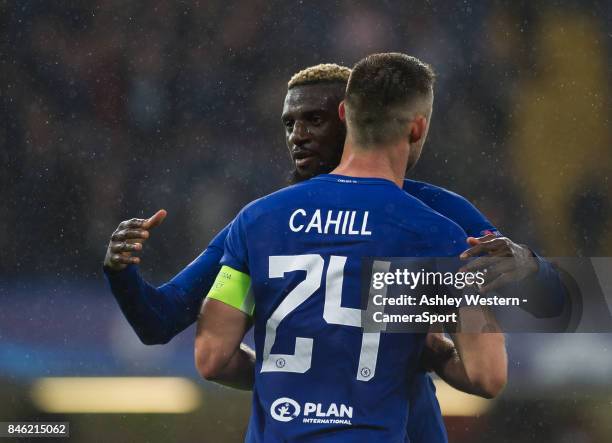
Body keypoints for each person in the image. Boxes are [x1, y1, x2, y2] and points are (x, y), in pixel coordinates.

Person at [104, 63, 566, 443]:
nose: (297, 136)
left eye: (314, 120)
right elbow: (159, 321)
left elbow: (551, 298)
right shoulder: (427, 223)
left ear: (351, 118)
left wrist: (527, 263)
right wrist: (122, 273)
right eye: (289, 123)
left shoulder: (266, 222)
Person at [194, 52, 507, 442]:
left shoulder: (258, 220)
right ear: (418, 127)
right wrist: (434, 351)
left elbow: (212, 358)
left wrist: (291, 375)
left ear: (344, 114)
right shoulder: (439, 236)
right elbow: (487, 375)